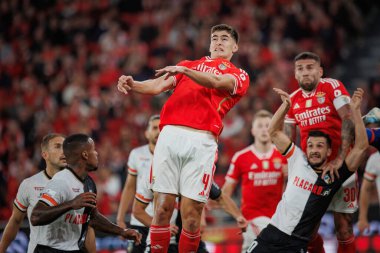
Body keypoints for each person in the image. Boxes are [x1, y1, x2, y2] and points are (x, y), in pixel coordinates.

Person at [117, 24, 250, 253]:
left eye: (225, 39)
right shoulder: (186, 64)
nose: (218, 42)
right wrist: (134, 84)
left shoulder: (238, 74)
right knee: (162, 210)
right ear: (209, 43)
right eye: (214, 38)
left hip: (202, 140)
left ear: (235, 46)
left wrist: (185, 72)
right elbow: (157, 85)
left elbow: (217, 83)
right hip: (169, 136)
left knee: (191, 216)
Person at [246, 87, 368, 253]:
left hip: (296, 245)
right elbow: (273, 132)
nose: (314, 150)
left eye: (320, 146)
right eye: (310, 146)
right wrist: (285, 107)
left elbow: (361, 147)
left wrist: (355, 111)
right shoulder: (297, 158)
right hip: (270, 235)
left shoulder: (334, 175)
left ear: (329, 151)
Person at [284, 51, 356, 253]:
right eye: (300, 69)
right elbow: (288, 142)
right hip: (311, 173)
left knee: (344, 227)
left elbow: (348, 120)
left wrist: (340, 158)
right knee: (308, 231)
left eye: (310, 68)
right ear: (295, 74)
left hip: (342, 168)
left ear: (320, 71)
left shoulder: (332, 86)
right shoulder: (292, 100)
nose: (305, 72)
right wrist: (291, 176)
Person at [30, 133, 141, 252]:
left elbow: (92, 217)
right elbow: (36, 217)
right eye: (94, 150)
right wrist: (71, 204)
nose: (97, 153)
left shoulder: (89, 183)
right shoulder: (61, 181)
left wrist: (122, 232)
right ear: (85, 154)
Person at [0, 133, 95, 253]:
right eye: (57, 146)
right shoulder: (29, 184)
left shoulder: (83, 184)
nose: (64, 151)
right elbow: (15, 220)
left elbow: (88, 226)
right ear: (45, 154)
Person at [222, 109, 287, 252]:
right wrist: (238, 216)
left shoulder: (284, 155)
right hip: (251, 220)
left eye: (267, 125)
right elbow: (225, 194)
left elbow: (294, 187)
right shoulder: (241, 157)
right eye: (260, 126)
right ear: (252, 131)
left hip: (278, 220)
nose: (264, 129)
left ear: (273, 128)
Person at [116, 114, 161, 252]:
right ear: (147, 133)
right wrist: (120, 217)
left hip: (165, 222)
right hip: (140, 221)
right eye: (154, 128)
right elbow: (129, 186)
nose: (158, 131)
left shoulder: (174, 155)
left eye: (161, 128)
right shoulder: (137, 154)